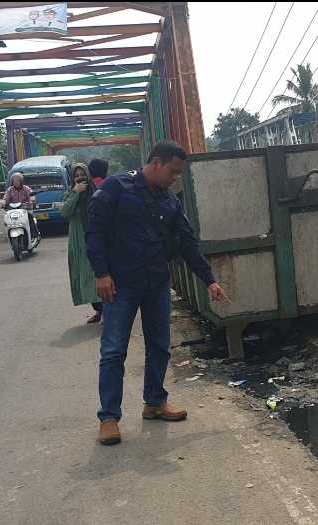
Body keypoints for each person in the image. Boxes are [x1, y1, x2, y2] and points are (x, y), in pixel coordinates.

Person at [87, 141, 229, 446]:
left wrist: (209, 280)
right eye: (172, 172)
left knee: (160, 345)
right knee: (113, 351)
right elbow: (94, 231)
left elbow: (187, 242)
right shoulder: (116, 188)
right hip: (120, 285)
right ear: (155, 162)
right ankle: (109, 418)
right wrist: (101, 273)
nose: (175, 178)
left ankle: (154, 402)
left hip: (156, 284)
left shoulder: (169, 201)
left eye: (178, 174)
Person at [61, 163, 103, 324]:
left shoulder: (97, 193)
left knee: (96, 276)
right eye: (76, 175)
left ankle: (105, 310)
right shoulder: (70, 194)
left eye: (82, 174)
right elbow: (65, 212)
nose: (80, 178)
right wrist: (75, 193)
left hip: (94, 240)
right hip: (78, 243)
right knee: (83, 278)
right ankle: (99, 310)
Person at [2, 172, 41, 239]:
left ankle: (35, 234)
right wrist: (3, 202)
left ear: (21, 181)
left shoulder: (26, 188)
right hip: (13, 210)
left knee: (30, 218)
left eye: (17, 181)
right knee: (6, 219)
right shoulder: (10, 190)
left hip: (25, 209)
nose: (16, 182)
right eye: (14, 181)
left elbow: (31, 194)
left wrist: (32, 200)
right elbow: (6, 197)